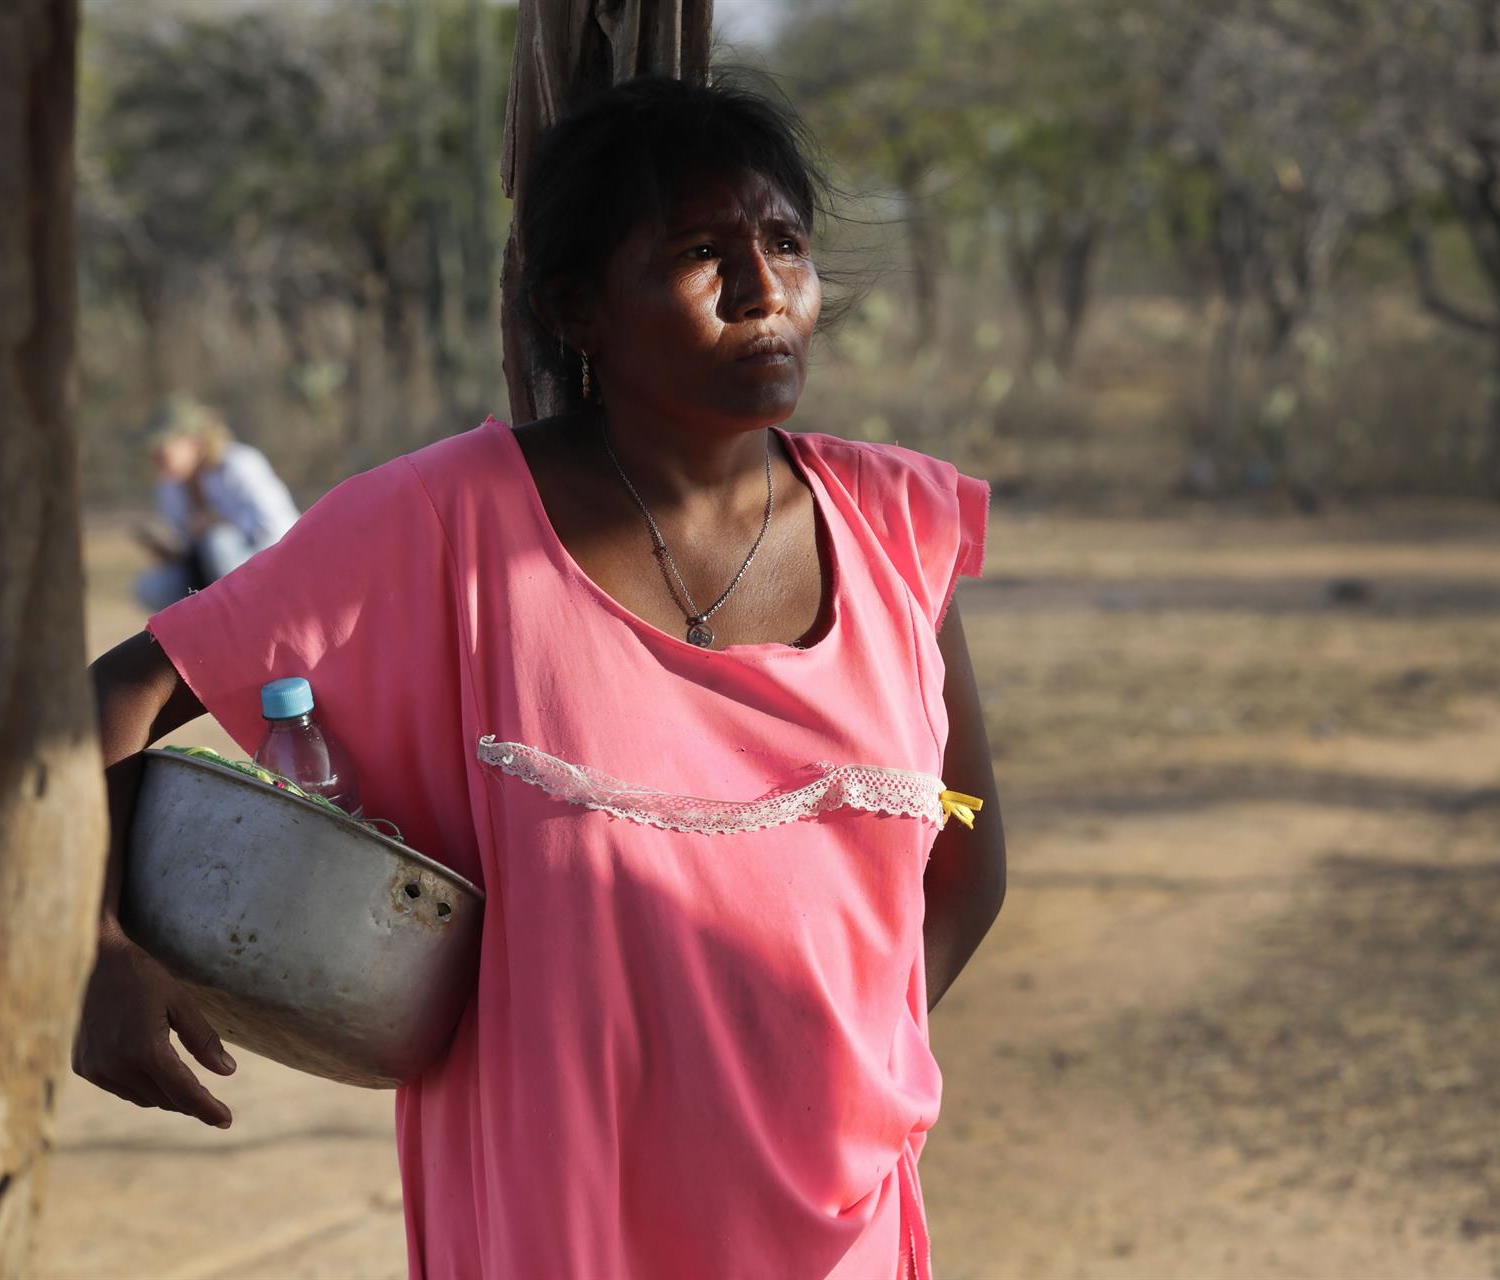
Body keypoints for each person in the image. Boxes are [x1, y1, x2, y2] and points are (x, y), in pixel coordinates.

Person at [76, 75, 1006, 1280]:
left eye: (785, 243)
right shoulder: (448, 526)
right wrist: (94, 950)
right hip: (559, 1224)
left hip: (844, 1225)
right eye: (699, 252)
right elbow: (106, 703)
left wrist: (836, 1053)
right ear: (577, 308)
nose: (763, 289)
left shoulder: (899, 531)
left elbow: (967, 854)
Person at [131, 398, 300, 610]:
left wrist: (221, 523)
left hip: (264, 572)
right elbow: (190, 548)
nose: (156, 458)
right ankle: (194, 631)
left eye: (162, 449)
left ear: (194, 442)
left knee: (219, 542)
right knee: (151, 587)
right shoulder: (169, 487)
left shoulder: (240, 464)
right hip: (206, 576)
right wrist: (170, 550)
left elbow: (280, 531)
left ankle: (247, 619)